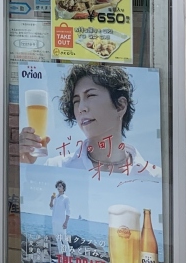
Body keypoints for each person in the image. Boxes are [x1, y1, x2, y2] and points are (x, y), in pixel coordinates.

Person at [19, 63, 161, 178]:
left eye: (90, 95)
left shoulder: (153, 176)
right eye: (76, 101)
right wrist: (24, 165)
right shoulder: (57, 167)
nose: (81, 108)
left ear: (120, 106)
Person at [50, 180, 71, 257]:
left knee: (64, 240)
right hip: (55, 221)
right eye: (58, 186)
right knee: (58, 240)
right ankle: (61, 256)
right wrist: (52, 199)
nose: (58, 188)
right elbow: (51, 207)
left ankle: (68, 257)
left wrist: (66, 222)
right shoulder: (56, 198)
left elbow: (68, 211)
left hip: (61, 222)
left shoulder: (65, 198)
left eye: (60, 186)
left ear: (63, 188)